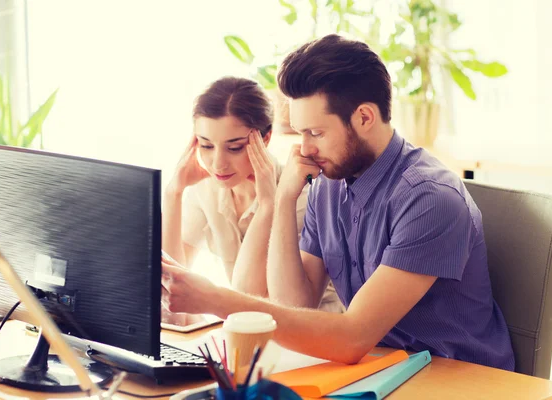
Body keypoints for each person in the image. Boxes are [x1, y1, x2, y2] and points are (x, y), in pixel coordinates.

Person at [161, 35, 515, 370]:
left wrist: (215, 299)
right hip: (381, 366)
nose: (305, 148)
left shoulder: (429, 198)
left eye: (315, 133)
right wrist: (284, 198)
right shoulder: (328, 185)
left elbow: (352, 337)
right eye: (300, 133)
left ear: (364, 117)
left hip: (456, 376)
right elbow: (293, 307)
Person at [162, 76, 343, 326]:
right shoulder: (208, 189)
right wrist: (174, 192)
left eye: (234, 148)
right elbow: (169, 287)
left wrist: (269, 204)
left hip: (309, 331)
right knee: (177, 320)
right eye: (206, 145)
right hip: (248, 327)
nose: (218, 163)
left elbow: (249, 295)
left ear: (265, 139)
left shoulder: (300, 195)